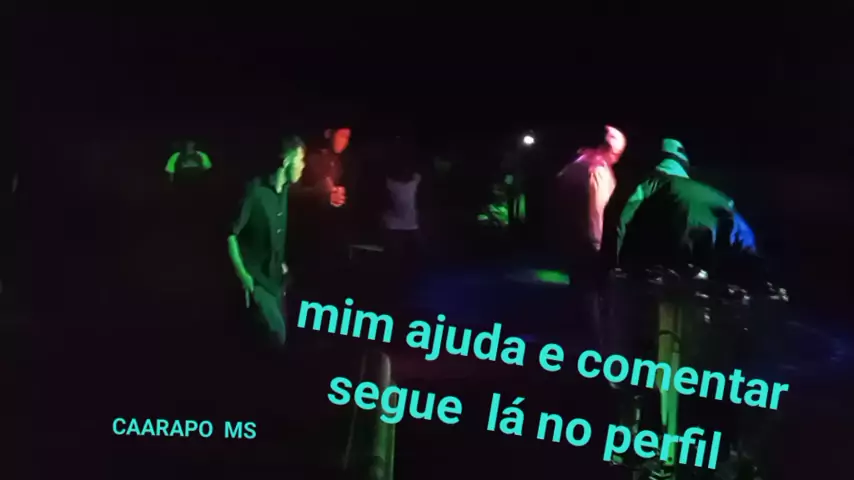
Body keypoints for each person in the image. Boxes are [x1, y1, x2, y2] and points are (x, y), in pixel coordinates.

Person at [227, 135, 306, 349]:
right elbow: (230, 234)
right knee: (277, 336)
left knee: (280, 339)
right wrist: (243, 276)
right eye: (300, 159)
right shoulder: (254, 191)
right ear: (286, 161)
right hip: (257, 279)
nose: (303, 165)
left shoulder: (284, 190)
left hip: (276, 280)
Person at [289, 127, 351, 287]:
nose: (345, 142)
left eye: (347, 138)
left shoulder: (339, 163)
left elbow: (332, 197)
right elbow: (291, 193)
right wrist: (317, 193)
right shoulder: (308, 158)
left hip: (327, 233)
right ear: (329, 133)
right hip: (305, 234)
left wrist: (337, 198)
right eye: (342, 136)